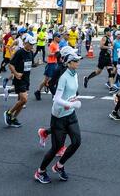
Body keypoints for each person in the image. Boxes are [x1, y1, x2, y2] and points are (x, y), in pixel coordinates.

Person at [34, 49, 83, 184]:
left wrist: (73, 100)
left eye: (78, 60)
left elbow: (73, 92)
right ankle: (40, 171)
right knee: (57, 147)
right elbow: (57, 99)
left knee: (77, 142)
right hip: (59, 116)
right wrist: (71, 104)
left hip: (70, 115)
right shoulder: (64, 77)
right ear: (69, 63)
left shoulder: (75, 74)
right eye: (76, 61)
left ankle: (59, 166)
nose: (78, 62)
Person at [4, 33, 34, 128]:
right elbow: (10, 65)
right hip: (19, 79)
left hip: (26, 78)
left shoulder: (31, 53)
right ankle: (9, 113)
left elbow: (30, 65)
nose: (32, 46)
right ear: (25, 43)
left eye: (33, 44)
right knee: (24, 99)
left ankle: (13, 118)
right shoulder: (20, 52)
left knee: (23, 101)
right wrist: (16, 74)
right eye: (30, 44)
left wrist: (37, 64)